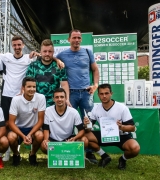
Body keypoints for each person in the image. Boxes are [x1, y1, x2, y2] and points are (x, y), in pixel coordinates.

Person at [56, 29, 100, 163]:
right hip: (71, 94)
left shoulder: (88, 52)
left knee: (88, 123)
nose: (77, 40)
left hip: (86, 93)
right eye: (74, 38)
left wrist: (95, 85)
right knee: (68, 123)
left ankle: (89, 152)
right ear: (69, 39)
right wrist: (56, 59)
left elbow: (95, 69)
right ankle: (67, 149)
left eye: (79, 38)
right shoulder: (62, 54)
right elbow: (51, 57)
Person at [84, 83, 140, 170]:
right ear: (98, 95)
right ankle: (104, 156)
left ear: (111, 93)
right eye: (101, 94)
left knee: (135, 148)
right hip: (105, 135)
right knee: (85, 137)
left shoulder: (122, 108)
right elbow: (89, 129)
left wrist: (121, 127)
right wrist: (86, 124)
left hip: (121, 135)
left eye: (106, 93)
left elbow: (132, 128)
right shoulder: (96, 108)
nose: (104, 96)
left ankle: (122, 159)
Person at [8, 77, 46, 166]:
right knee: (10, 137)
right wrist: (22, 135)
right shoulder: (16, 99)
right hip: (18, 129)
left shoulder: (41, 97)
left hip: (33, 128)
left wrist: (29, 134)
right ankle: (16, 154)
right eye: (29, 87)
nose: (32, 89)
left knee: (40, 135)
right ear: (23, 88)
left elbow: (41, 120)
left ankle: (32, 154)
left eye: (34, 87)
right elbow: (11, 122)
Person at [41, 88, 88, 154]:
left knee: (84, 140)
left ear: (66, 98)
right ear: (53, 99)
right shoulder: (48, 111)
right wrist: (46, 140)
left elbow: (81, 131)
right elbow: (46, 129)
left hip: (69, 140)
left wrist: (74, 138)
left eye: (62, 97)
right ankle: (56, 155)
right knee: (44, 146)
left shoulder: (74, 112)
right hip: (53, 141)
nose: (59, 99)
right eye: (57, 97)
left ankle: (71, 155)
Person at [26, 39, 70, 107]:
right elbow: (27, 85)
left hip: (54, 105)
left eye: (50, 51)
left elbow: (64, 84)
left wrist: (67, 99)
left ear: (53, 52)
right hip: (36, 104)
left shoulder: (59, 66)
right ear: (40, 52)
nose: (47, 54)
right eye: (45, 51)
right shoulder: (33, 66)